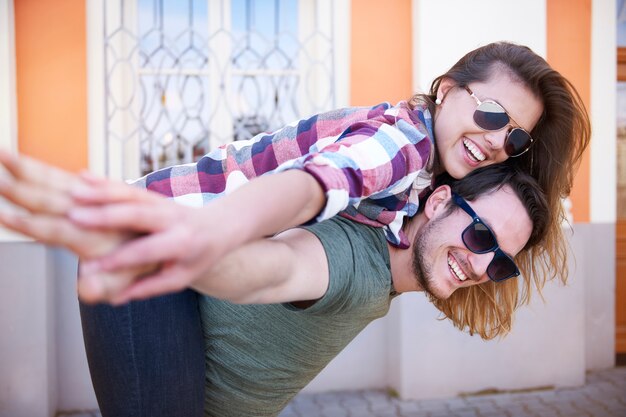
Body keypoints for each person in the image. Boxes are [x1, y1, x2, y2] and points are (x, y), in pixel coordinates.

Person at [0, 40, 589, 416]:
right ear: (446, 90)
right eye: (491, 114)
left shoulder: (416, 188)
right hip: (150, 237)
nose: (495, 140)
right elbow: (315, 185)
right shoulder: (404, 145)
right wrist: (211, 234)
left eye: (513, 137)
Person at [0, 162, 549, 416]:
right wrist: (160, 235)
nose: (481, 264)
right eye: (481, 235)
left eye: (501, 263)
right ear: (437, 202)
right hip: (146, 282)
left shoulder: (379, 220)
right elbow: (274, 268)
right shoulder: (358, 267)